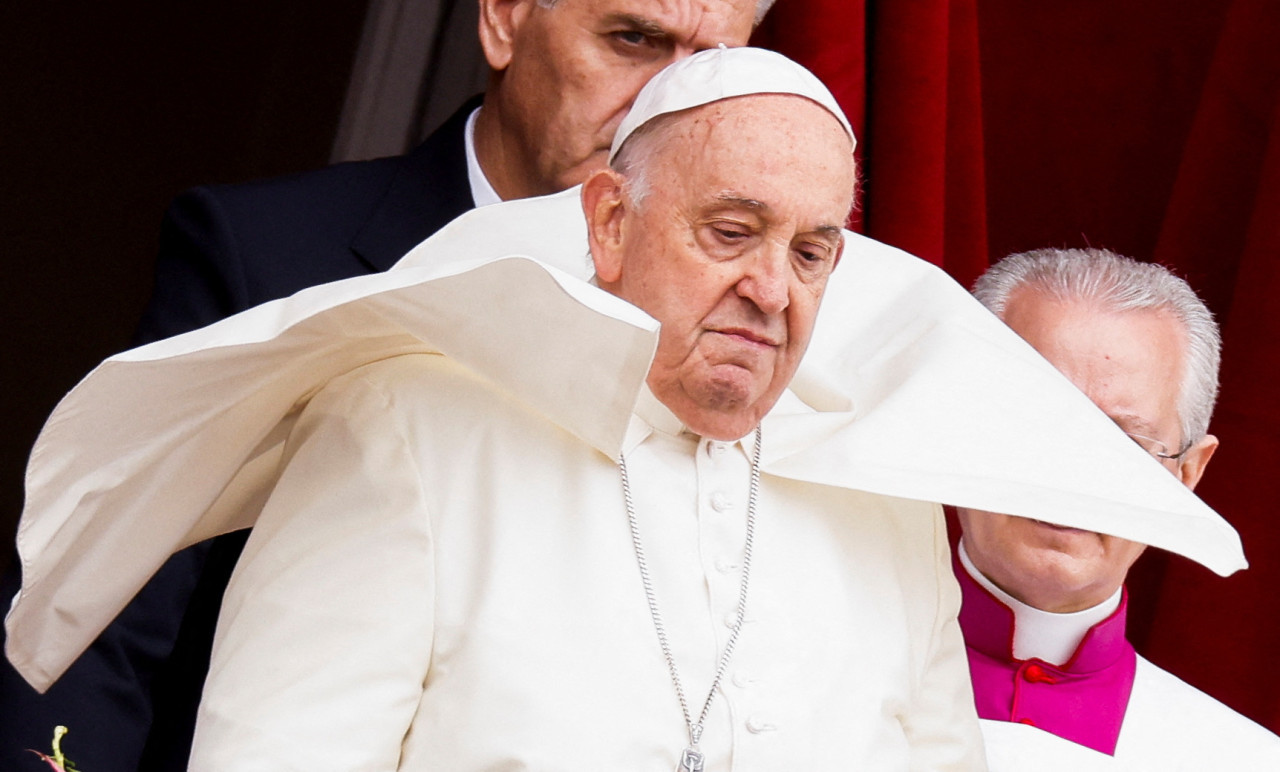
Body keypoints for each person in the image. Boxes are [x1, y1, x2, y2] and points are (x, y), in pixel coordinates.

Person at [0, 1, 772, 770]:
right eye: (634, 40)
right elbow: (97, 608)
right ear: (503, 20)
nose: (668, 105)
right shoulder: (268, 257)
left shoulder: (767, 337)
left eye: (709, 67)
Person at [954, 248, 1280, 767]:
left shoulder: (1245, 760)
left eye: (1125, 443)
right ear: (956, 430)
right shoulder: (795, 679)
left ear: (1187, 475)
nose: (1073, 476)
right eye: (1036, 423)